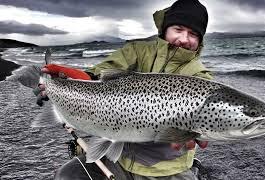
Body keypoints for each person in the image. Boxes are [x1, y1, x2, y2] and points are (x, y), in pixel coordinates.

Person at [37, 0, 213, 179]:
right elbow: (101, 74)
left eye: (192, 34)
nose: (184, 39)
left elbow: (206, 112)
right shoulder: (137, 50)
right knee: (66, 176)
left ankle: (194, 169)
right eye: (178, 29)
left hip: (168, 170)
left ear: (200, 40)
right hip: (120, 159)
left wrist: (194, 132)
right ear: (165, 28)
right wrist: (79, 78)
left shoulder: (200, 76)